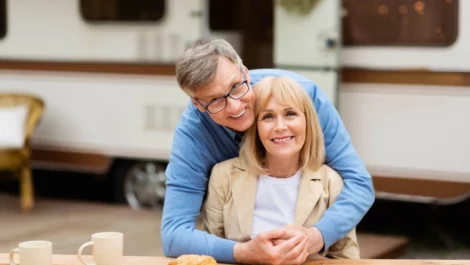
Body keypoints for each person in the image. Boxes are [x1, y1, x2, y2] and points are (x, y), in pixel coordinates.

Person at [161, 39, 374, 264]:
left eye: (236, 87)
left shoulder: (303, 95)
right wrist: (243, 252)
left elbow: (359, 183)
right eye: (215, 100)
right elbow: (174, 234)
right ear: (198, 105)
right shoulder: (193, 135)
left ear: (245, 71)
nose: (235, 107)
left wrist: (317, 236)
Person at [202, 76, 360, 261]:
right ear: (255, 128)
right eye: (268, 116)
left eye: (290, 114)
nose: (280, 126)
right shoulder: (223, 176)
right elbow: (209, 253)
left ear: (307, 121)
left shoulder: (332, 183)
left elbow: (347, 259)